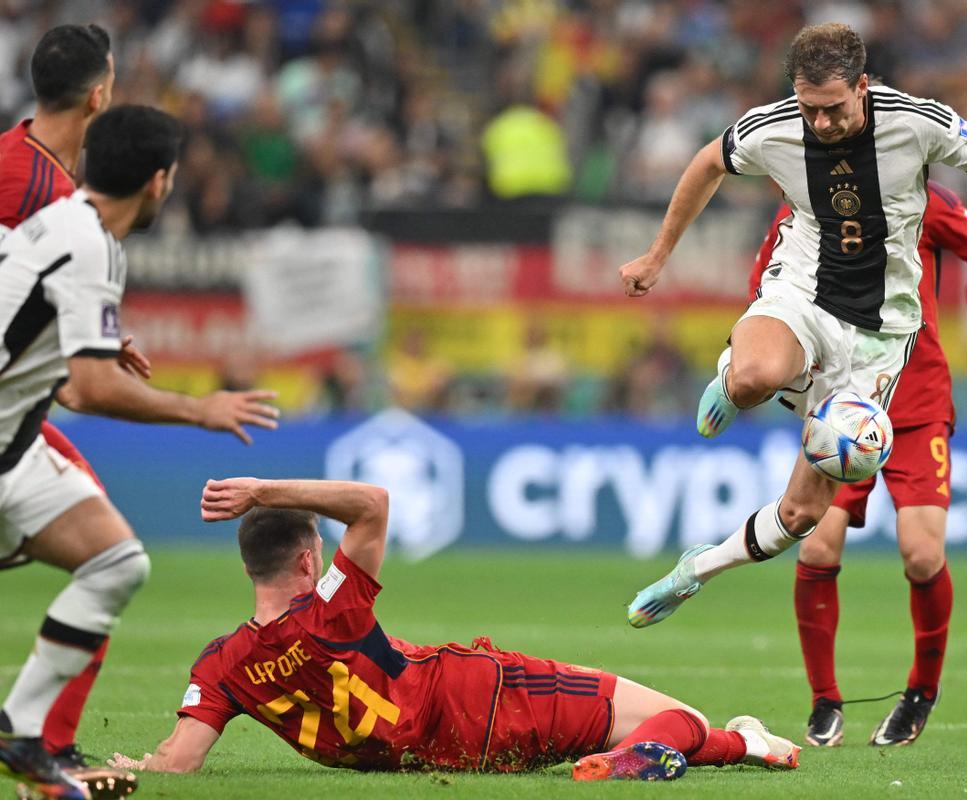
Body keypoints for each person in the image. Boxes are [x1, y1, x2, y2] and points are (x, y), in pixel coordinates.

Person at [621, 23, 967, 628]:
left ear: (862, 86)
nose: (821, 123)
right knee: (756, 374)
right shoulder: (771, 127)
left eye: (833, 109)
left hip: (881, 335)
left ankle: (695, 570)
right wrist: (657, 255)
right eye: (809, 109)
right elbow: (706, 164)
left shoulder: (917, 122)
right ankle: (734, 378)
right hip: (803, 284)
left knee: (801, 517)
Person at [108, 477, 801, 782]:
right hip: (485, 698)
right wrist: (264, 491)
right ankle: (682, 751)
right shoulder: (331, 609)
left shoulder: (220, 664)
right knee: (676, 716)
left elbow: (180, 760)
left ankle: (752, 745)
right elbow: (372, 503)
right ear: (306, 558)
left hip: (435, 757)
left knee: (677, 730)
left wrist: (118, 771)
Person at [0, 106, 280, 800]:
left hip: (15, 447)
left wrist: (77, 340)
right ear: (161, 182)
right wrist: (200, 409)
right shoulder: (92, 242)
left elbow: (65, 367)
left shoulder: (62, 222)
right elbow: (88, 390)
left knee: (116, 560)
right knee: (114, 562)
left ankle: (21, 734)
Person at [747, 183, 967, 748]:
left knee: (923, 555)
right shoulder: (807, 193)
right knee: (817, 545)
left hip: (916, 404)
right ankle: (824, 702)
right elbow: (764, 288)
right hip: (843, 404)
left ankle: (921, 691)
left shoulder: (924, 198)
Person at [0, 26, 150, 778]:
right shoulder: (24, 182)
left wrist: (96, 338)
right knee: (111, 553)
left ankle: (42, 742)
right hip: (10, 419)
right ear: (100, 94)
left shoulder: (45, 175)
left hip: (23, 406)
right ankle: (40, 744)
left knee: (111, 557)